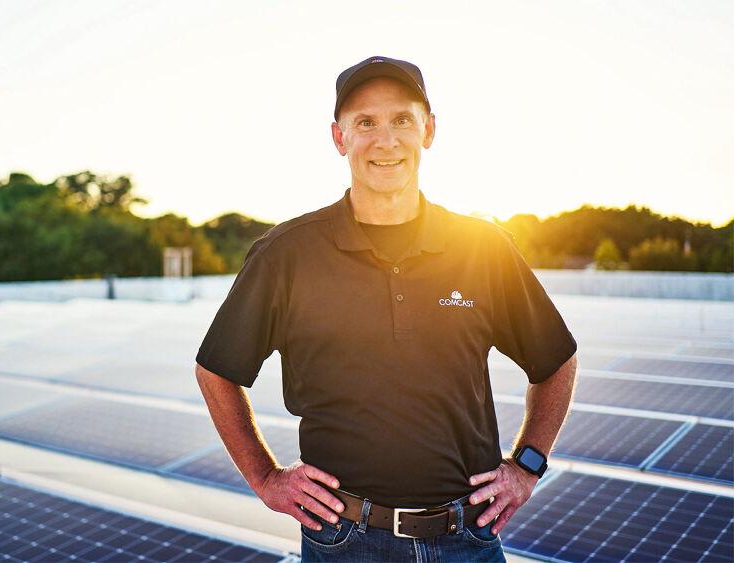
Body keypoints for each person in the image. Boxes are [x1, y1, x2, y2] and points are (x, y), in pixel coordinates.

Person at [195, 56, 578, 562]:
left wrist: (527, 466)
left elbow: (556, 361)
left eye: (402, 120)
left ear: (429, 130)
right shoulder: (287, 254)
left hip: (467, 539)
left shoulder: (482, 249)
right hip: (344, 541)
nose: (386, 140)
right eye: (366, 123)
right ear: (339, 138)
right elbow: (216, 371)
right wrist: (266, 478)